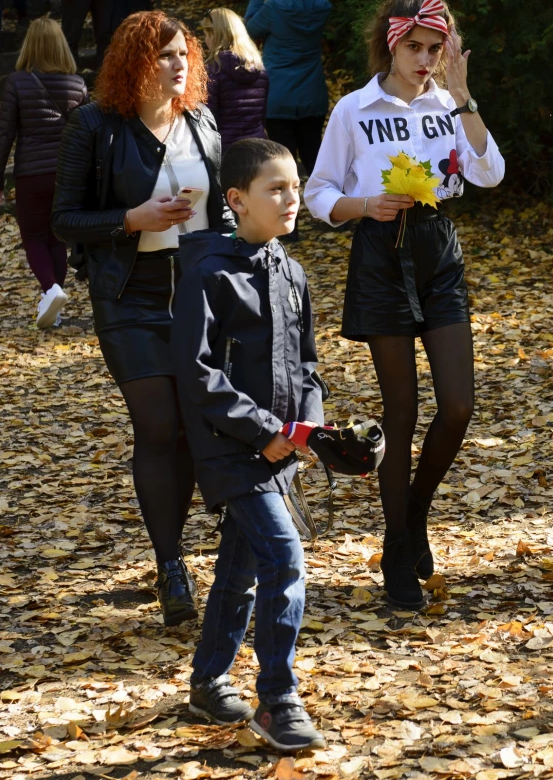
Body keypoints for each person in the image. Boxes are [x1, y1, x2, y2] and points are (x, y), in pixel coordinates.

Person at [304, 0, 505, 610]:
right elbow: (317, 194)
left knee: (459, 406)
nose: (424, 59)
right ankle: (396, 547)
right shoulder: (354, 109)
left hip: (438, 253)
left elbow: (488, 172)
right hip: (380, 256)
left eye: (434, 48)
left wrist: (466, 98)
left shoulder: (450, 104)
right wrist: (365, 205)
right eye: (413, 46)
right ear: (390, 44)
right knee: (401, 412)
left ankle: (414, 513)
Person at [51, 10, 234, 626]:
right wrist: (131, 219)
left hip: (199, 293)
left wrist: (247, 269)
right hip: (130, 296)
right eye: (163, 55)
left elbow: (225, 210)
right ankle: (170, 564)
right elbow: (64, 218)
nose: (179, 64)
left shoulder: (203, 122)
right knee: (157, 426)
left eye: (184, 54)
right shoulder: (95, 125)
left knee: (189, 426)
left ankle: (177, 548)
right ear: (135, 62)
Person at [171, 137, 325, 750]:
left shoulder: (291, 271)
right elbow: (199, 374)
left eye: (295, 186)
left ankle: (208, 683)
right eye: (276, 189)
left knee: (240, 568)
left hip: (280, 451)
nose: (292, 199)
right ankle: (277, 698)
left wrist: (308, 428)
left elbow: (308, 364)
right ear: (236, 199)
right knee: (283, 557)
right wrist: (264, 433)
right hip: (228, 447)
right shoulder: (208, 273)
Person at [0, 17, 87, 326]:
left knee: (33, 238)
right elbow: (85, 136)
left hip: (31, 175)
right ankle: (55, 308)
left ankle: (51, 290)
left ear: (30, 46)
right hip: (66, 175)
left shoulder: (17, 82)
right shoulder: (77, 84)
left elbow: (4, 133)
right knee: (56, 239)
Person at [245, 0, 330, 239]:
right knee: (314, 154)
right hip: (312, 92)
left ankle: (288, 228)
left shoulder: (275, 8)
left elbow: (247, 31)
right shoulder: (322, 7)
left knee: (282, 160)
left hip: (279, 93)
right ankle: (333, 213)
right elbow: (308, 4)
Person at [202, 8, 268, 151]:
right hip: (257, 146)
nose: (205, 40)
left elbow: (209, 118)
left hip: (225, 149)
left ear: (214, 35)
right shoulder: (259, 68)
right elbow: (262, 115)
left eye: (206, 34)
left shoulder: (213, 69)